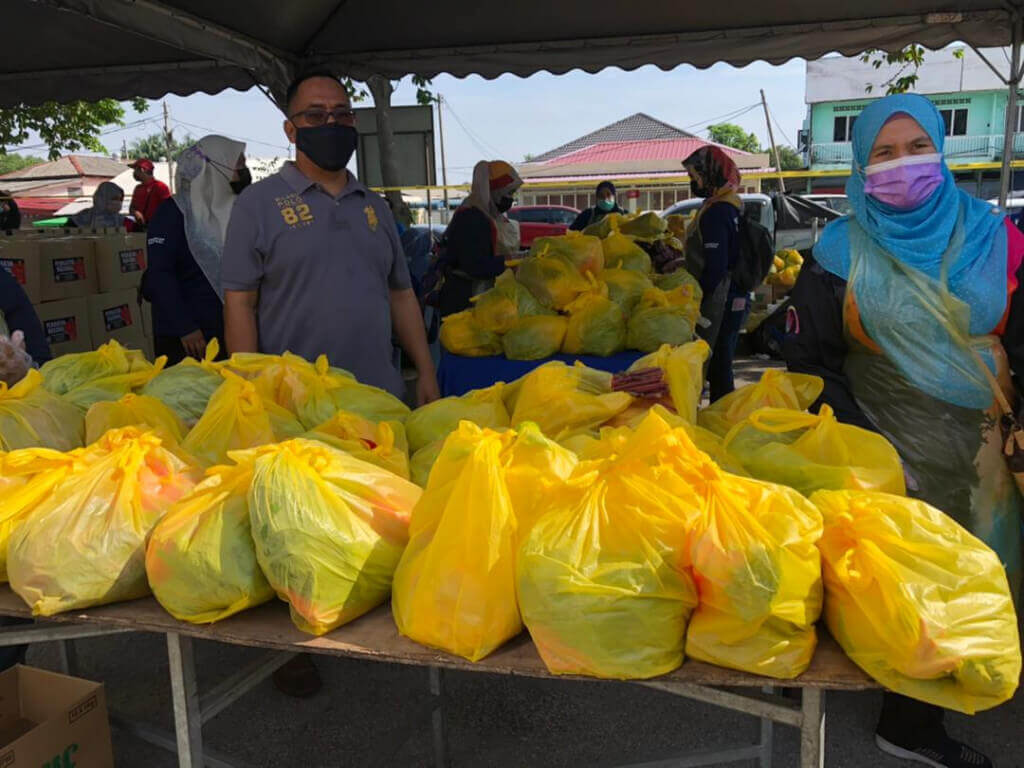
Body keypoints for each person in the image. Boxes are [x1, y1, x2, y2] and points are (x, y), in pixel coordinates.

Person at [783, 93, 1023, 768]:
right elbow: (811, 364)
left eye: (917, 147)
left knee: (981, 571)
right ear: (860, 167)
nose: (902, 165)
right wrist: (873, 452)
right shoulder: (835, 254)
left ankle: (958, 684)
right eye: (883, 154)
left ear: (941, 154)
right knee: (907, 586)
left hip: (983, 458)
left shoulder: (997, 237)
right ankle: (908, 722)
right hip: (886, 456)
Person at [142, 136, 247, 365]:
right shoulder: (173, 213)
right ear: (215, 167)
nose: (243, 171)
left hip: (233, 331)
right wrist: (185, 327)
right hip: (191, 339)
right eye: (238, 164)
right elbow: (160, 275)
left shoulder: (238, 210)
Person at [436, 159, 522, 317]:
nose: (511, 199)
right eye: (508, 193)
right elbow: (475, 265)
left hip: (480, 297)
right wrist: (511, 260)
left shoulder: (490, 214)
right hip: (463, 303)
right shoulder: (471, 217)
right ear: (493, 191)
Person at [681, 147, 742, 368]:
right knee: (720, 363)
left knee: (711, 364)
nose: (692, 182)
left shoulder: (717, 212)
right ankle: (724, 402)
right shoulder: (729, 204)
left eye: (693, 176)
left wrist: (697, 299)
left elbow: (715, 265)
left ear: (709, 173)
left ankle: (722, 403)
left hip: (717, 297)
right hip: (730, 293)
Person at [128, 158, 171, 230]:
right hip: (141, 228)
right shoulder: (138, 188)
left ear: (142, 170)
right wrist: (136, 213)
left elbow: (168, 210)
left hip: (158, 228)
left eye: (135, 170)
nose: (134, 173)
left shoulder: (160, 186)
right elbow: (132, 207)